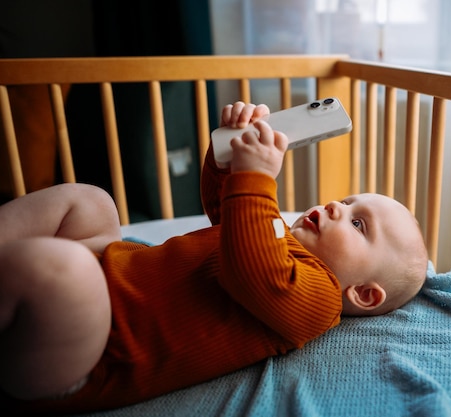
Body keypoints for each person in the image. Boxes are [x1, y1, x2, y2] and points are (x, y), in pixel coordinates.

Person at [0, 102, 428, 414]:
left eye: (358, 225)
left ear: (365, 295)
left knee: (63, 272)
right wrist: (230, 160)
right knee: (91, 202)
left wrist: (255, 176)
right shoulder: (272, 234)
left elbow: (251, 270)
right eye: (347, 201)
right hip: (107, 276)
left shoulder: (318, 300)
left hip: (93, 352)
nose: (337, 208)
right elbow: (228, 215)